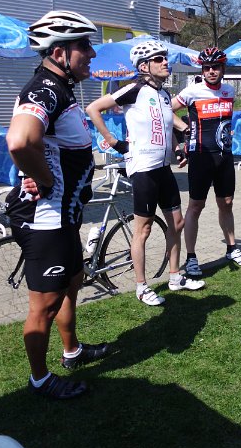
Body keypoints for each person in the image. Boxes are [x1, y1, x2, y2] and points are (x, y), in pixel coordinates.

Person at [6, 10, 110, 400]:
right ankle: (39, 379)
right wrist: (45, 179)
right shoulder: (45, 88)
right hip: (44, 218)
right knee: (45, 304)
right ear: (60, 52)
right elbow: (19, 141)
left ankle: (72, 350)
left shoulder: (61, 88)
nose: (92, 53)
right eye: (85, 45)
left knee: (72, 281)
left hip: (64, 215)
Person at [86, 40, 205, 307]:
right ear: (143, 66)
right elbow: (93, 108)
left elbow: (164, 124)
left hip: (163, 168)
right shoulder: (134, 89)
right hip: (143, 169)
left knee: (177, 223)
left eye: (165, 57)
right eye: (158, 59)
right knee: (144, 229)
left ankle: (175, 277)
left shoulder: (164, 94)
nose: (165, 62)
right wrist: (112, 141)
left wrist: (178, 147)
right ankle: (141, 287)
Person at [172, 47, 241, 276]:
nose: (211, 71)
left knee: (227, 202)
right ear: (202, 70)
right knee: (196, 206)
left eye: (215, 67)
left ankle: (232, 248)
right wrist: (183, 129)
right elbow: (165, 110)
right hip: (201, 157)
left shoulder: (229, 91)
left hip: (225, 156)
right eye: (206, 68)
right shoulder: (192, 91)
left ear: (223, 69)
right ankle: (191, 257)